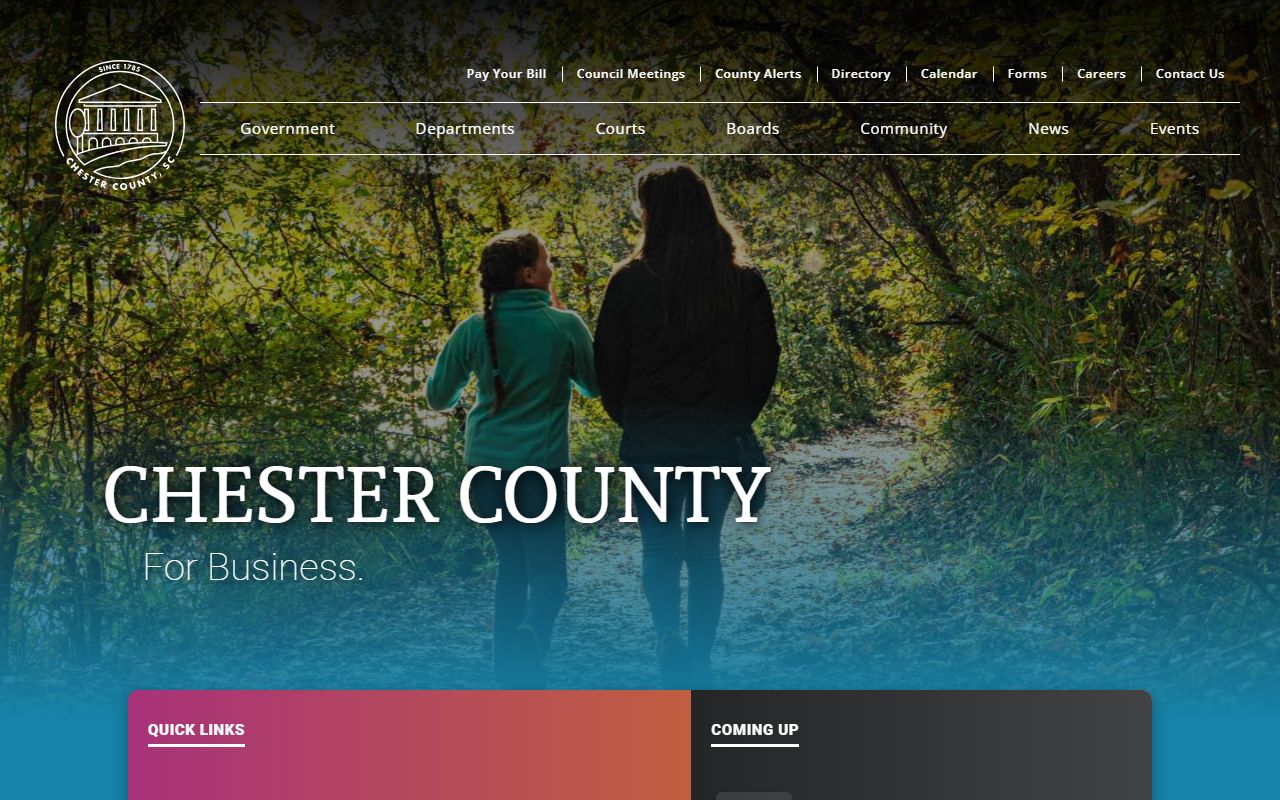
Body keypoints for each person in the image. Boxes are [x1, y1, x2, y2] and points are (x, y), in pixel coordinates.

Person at [594, 163, 780, 688]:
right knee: (703, 549)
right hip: (717, 439)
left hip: (650, 440)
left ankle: (666, 639)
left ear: (652, 213)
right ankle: (699, 656)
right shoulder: (742, 281)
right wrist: (735, 417)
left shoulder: (630, 282)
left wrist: (632, 417)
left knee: (658, 547)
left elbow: (607, 362)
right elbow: (764, 359)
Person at [426, 229, 598, 688]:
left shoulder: (472, 329)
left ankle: (507, 672)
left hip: (483, 474)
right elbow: (594, 386)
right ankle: (532, 635)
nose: (552, 267)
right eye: (547, 261)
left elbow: (438, 397)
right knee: (549, 576)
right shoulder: (565, 326)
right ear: (528, 274)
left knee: (512, 566)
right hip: (539, 474)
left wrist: (475, 382)